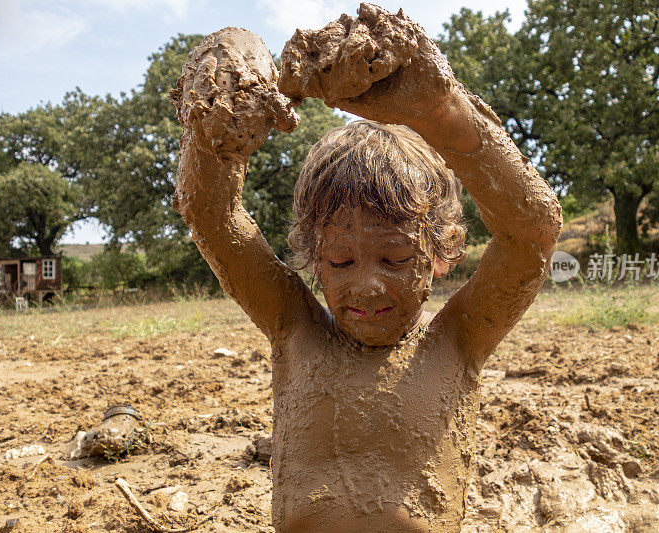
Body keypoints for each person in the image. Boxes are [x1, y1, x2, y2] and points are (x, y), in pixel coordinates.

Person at [169, 4, 562, 532]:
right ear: (312, 255)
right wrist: (218, 109)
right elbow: (211, 216)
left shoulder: (458, 341)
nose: (367, 282)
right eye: (340, 259)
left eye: (396, 259)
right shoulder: (294, 327)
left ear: (442, 251)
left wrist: (443, 113)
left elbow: (532, 234)